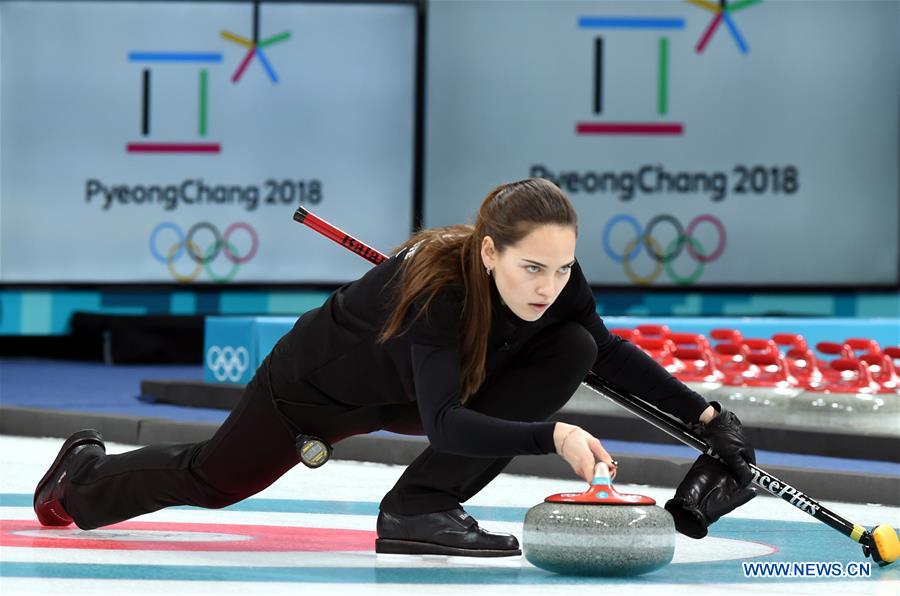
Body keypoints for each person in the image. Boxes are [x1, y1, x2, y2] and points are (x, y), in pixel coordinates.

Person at [34, 178, 756, 557]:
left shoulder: (560, 284)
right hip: (312, 394)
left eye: (561, 269)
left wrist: (705, 416)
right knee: (214, 482)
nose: (548, 285)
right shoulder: (441, 293)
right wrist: (552, 437)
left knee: (575, 345)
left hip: (413, 389)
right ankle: (82, 481)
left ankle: (420, 508)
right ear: (487, 252)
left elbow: (608, 350)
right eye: (532, 267)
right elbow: (444, 423)